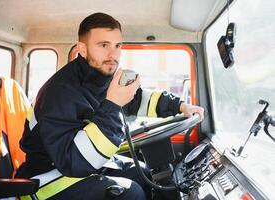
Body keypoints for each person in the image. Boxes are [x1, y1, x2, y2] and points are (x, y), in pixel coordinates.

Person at [16, 12, 204, 200]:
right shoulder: (59, 93)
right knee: (132, 194)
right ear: (82, 49)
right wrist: (113, 105)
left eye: (117, 46)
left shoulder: (99, 77)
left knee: (146, 174)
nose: (113, 55)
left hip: (78, 167)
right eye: (104, 45)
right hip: (47, 180)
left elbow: (135, 100)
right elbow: (73, 161)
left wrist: (179, 106)